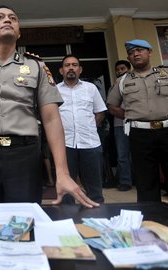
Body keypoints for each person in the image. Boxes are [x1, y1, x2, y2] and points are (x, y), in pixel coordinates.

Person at [0, 5, 98, 207]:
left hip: (25, 156)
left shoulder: (37, 66)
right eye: (0, 17)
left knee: (24, 221)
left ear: (19, 31)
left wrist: (63, 172)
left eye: (13, 18)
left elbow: (51, 118)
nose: (7, 20)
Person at [107, 39, 168, 211]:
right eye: (132, 52)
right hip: (141, 136)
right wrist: (132, 116)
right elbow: (112, 106)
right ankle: (152, 220)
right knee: (146, 182)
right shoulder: (123, 80)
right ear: (129, 57)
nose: (136, 54)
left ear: (150, 52)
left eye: (140, 50)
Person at [57, 55, 106, 204]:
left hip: (90, 143)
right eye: (67, 65)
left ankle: (96, 220)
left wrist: (89, 128)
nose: (71, 68)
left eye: (74, 65)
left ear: (80, 69)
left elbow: (100, 112)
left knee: (95, 189)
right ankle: (67, 221)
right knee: (66, 191)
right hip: (64, 145)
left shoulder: (90, 88)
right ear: (61, 70)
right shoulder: (54, 90)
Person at [111, 60, 133, 192]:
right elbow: (110, 104)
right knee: (122, 155)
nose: (120, 71)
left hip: (137, 123)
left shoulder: (135, 83)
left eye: (122, 68)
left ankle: (139, 180)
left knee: (139, 154)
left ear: (129, 69)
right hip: (120, 124)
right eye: (117, 69)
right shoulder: (114, 86)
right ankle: (125, 181)